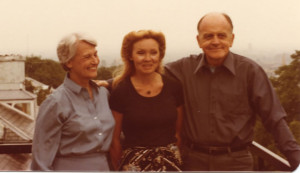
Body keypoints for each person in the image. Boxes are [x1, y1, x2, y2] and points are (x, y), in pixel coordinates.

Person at [165, 12, 300, 171]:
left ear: (232, 39)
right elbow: (146, 72)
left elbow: (274, 118)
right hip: (193, 162)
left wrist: (296, 160)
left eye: (221, 35)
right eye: (208, 36)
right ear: (199, 40)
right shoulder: (182, 69)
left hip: (236, 163)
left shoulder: (250, 71)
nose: (215, 41)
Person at [31, 33, 115, 171]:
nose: (95, 61)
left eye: (95, 54)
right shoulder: (55, 102)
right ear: (69, 62)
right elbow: (40, 161)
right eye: (87, 56)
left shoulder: (103, 94)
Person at [109, 30, 184, 171]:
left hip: (170, 164)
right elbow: (115, 141)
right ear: (130, 56)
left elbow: (178, 134)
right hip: (134, 166)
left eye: (153, 52)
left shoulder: (174, 87)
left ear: (160, 55)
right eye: (141, 53)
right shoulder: (121, 91)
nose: (148, 58)